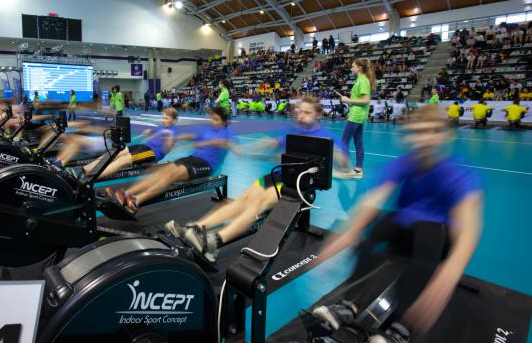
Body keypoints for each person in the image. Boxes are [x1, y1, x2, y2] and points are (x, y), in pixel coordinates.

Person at [312, 105, 483, 343]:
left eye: (431, 131)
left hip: (436, 239)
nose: (424, 138)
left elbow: (468, 227)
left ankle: (402, 329)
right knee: (378, 227)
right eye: (418, 132)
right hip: (406, 231)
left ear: (444, 135)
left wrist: (449, 273)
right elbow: (373, 200)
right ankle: (349, 305)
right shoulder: (405, 163)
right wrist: (349, 233)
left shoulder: (457, 172)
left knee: (428, 232)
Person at [164, 97, 349, 262]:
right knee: (242, 199)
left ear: (318, 115)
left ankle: (215, 241)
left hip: (297, 185)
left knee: (257, 204)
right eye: (300, 111)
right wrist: (244, 150)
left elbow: (345, 162)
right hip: (277, 175)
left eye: (307, 113)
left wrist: (335, 154)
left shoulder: (328, 137)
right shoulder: (293, 132)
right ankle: (195, 228)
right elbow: (271, 143)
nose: (301, 116)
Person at [105, 106, 233, 214]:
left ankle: (136, 201)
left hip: (206, 165)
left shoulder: (228, 134)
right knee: (161, 171)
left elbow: (232, 146)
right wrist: (175, 137)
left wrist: (212, 143)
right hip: (192, 158)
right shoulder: (209, 130)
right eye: (212, 119)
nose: (213, 122)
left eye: (216, 119)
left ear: (224, 122)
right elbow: (192, 136)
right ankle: (125, 194)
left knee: (171, 175)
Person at [63, 108, 179, 179]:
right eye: (163, 118)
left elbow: (166, 150)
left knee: (123, 160)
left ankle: (88, 177)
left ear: (174, 120)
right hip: (143, 147)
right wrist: (148, 132)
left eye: (167, 118)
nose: (164, 120)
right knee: (114, 152)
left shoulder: (173, 132)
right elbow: (151, 132)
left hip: (152, 153)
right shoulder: (161, 128)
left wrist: (168, 139)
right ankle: (83, 169)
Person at [335, 58, 375, 179]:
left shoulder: (363, 81)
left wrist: (348, 100)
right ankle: (358, 170)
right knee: (358, 143)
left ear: (359, 68)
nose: (351, 68)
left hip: (356, 116)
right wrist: (349, 100)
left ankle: (345, 169)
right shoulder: (361, 80)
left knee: (344, 142)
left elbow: (366, 100)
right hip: (359, 116)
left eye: (353, 66)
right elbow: (360, 99)